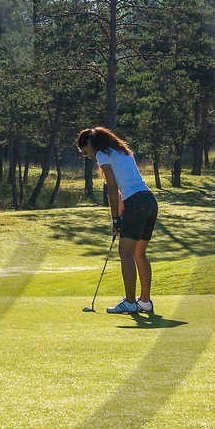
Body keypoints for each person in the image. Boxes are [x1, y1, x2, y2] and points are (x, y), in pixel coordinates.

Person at [75, 126, 158, 316]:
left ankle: (130, 303)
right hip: (149, 200)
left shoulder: (102, 155)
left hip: (136, 203)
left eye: (85, 152)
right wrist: (120, 213)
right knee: (139, 254)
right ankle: (145, 302)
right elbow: (122, 188)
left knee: (125, 253)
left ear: (89, 143)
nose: (87, 156)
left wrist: (115, 219)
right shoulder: (122, 152)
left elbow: (112, 189)